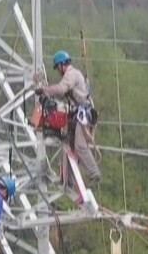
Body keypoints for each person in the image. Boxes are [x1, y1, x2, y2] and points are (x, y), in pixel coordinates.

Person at [37, 50, 101, 184]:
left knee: (79, 146)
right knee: (69, 147)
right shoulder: (74, 74)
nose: (58, 71)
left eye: (58, 68)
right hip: (77, 114)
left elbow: (61, 89)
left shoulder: (71, 74)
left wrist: (45, 89)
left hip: (83, 115)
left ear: (61, 65)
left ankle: (94, 172)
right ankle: (68, 180)